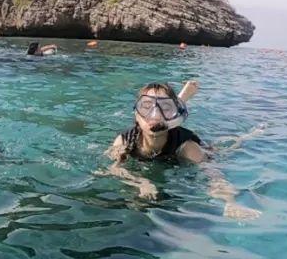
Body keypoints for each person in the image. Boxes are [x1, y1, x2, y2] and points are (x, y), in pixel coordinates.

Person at [105, 81, 260, 220]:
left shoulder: (187, 147)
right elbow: (114, 169)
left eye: (165, 108)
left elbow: (214, 175)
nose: (155, 115)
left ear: (174, 115)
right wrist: (141, 182)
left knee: (228, 148)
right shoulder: (125, 140)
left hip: (201, 150)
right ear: (136, 114)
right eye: (146, 106)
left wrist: (230, 202)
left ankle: (252, 134)